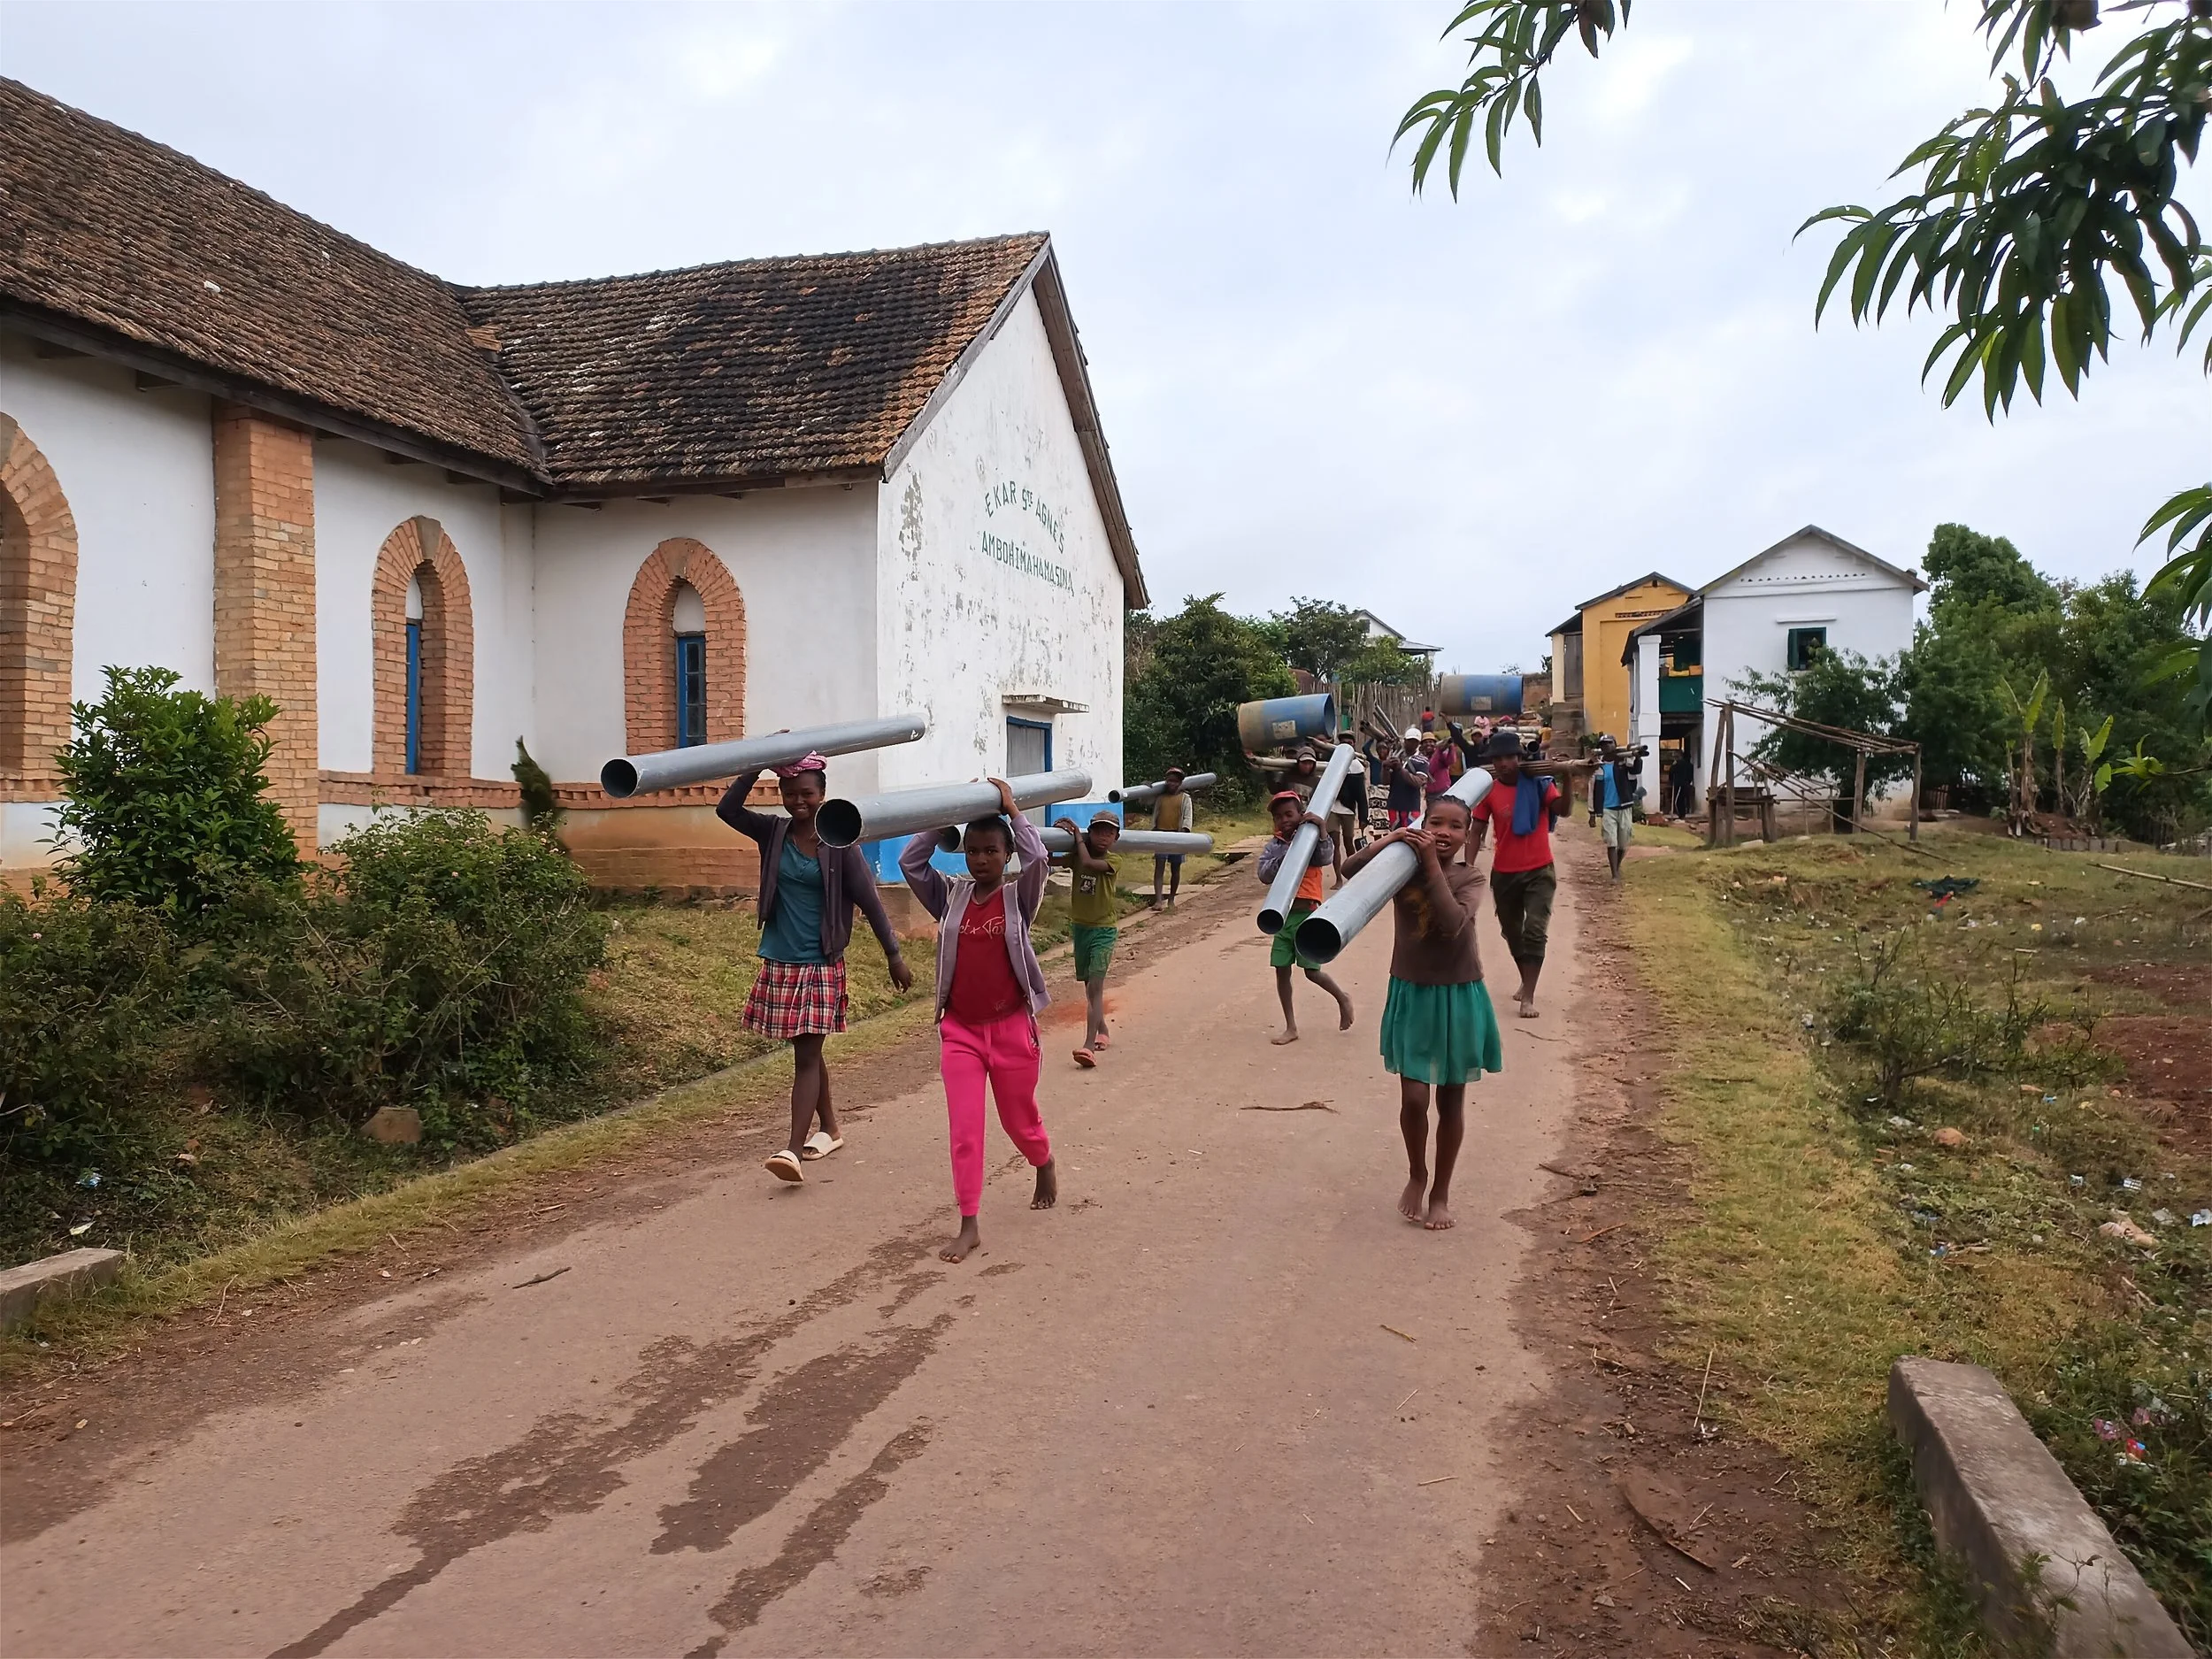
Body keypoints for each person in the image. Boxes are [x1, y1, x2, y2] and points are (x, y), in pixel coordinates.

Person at [718, 753, 914, 1185]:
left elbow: (871, 903)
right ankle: (831, 1129)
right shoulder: (773, 832)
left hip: (820, 965)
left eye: (807, 793)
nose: (798, 801)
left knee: (806, 1057)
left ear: (823, 794)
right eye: (790, 794)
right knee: (807, 1051)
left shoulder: (840, 845)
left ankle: (792, 1149)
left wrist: (894, 955)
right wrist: (758, 763)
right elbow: (727, 810)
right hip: (780, 961)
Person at [900, 779, 1057, 1263]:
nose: (981, 860)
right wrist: (944, 818)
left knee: (1019, 1122)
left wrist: (1014, 811)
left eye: (992, 851)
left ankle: (1043, 1161)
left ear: (1007, 854)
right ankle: (969, 1223)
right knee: (965, 1132)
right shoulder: (950, 897)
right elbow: (911, 863)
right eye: (973, 851)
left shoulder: (1018, 898)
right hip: (961, 1033)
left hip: (1011, 1030)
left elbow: (1039, 860)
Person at [1341, 795, 1501, 1230]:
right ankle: (1417, 1172)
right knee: (1414, 1099)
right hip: (1412, 991)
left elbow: (1452, 925)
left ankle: (1441, 1192)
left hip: (1458, 994)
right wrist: (1392, 840)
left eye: (1455, 826)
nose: (1444, 833)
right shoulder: (1401, 868)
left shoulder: (1470, 878)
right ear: (1422, 825)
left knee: (1451, 1099)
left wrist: (1429, 863)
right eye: (1436, 823)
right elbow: (1350, 871)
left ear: (1468, 834)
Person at [1468, 729, 1564, 1019]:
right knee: (1513, 933)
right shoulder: (1489, 791)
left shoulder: (1540, 784)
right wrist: (1467, 867)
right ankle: (1526, 978)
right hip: (1505, 873)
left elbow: (1564, 809)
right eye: (1497, 758)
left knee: (1534, 930)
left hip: (1539, 870)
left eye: (1509, 757)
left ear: (1520, 758)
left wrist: (1568, 777)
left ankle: (1529, 996)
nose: (1503, 763)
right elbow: (1476, 831)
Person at [1256, 789, 1354, 1044]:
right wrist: (1286, 856)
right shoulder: (1275, 845)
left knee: (1312, 971)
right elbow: (1264, 874)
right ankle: (1291, 1026)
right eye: (1278, 817)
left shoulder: (1310, 840)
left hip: (1307, 915)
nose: (1284, 820)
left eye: (1289, 814)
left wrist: (1321, 830)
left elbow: (1325, 857)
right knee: (1281, 970)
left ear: (1301, 814)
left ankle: (1342, 997)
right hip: (1281, 916)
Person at [1056, 810, 1121, 1067]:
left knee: (1095, 987)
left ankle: (1088, 1045)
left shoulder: (1113, 860)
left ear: (1116, 838)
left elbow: (1090, 863)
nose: (1103, 837)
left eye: (1109, 832)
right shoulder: (1077, 856)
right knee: (1088, 986)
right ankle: (1103, 1030)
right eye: (1098, 831)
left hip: (1103, 930)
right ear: (1090, 833)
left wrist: (1077, 837)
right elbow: (1052, 860)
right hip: (1081, 929)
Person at [1148, 765, 1194, 909]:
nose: (1172, 783)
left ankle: (1171, 899)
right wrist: (1147, 787)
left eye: (1175, 781)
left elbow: (1187, 818)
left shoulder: (1185, 798)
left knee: (1175, 869)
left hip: (1177, 836)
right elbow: (1145, 801)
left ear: (1180, 783)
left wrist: (1184, 834)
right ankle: (1159, 900)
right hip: (1161, 835)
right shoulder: (1160, 797)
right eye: (1169, 780)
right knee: (1159, 868)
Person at [1594, 739, 1640, 882]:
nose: (1607, 746)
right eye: (1604, 744)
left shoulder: (1623, 762)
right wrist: (1593, 812)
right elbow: (1594, 790)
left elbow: (1636, 770)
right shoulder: (1599, 766)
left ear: (1615, 745)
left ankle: (1617, 867)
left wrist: (1637, 757)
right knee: (1611, 842)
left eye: (1609, 743)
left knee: (1623, 844)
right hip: (1608, 808)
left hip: (1624, 806)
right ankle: (1614, 873)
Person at [1670, 748, 1697, 821]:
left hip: (1680, 784)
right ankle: (1682, 815)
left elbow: (1671, 773)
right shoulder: (1689, 764)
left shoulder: (1677, 764)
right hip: (1684, 784)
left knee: (1677, 801)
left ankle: (1681, 815)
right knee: (1681, 800)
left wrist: (1673, 766)